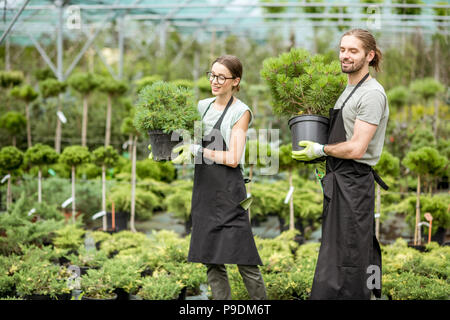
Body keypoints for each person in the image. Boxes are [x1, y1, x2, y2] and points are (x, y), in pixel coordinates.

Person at [292, 29, 389, 300]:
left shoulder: (371, 94)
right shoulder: (348, 89)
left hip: (354, 185)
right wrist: (324, 162)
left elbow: (358, 147)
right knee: (334, 255)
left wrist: (321, 148)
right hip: (339, 180)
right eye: (342, 49)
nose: (345, 55)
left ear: (369, 56)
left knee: (351, 258)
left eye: (353, 51)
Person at [171, 55, 267, 300]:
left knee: (244, 257)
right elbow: (190, 142)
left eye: (221, 77)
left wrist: (198, 150)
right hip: (204, 190)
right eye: (212, 75)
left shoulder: (241, 112)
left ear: (235, 81)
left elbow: (233, 157)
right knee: (210, 256)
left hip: (229, 192)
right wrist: (175, 148)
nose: (214, 81)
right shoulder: (202, 106)